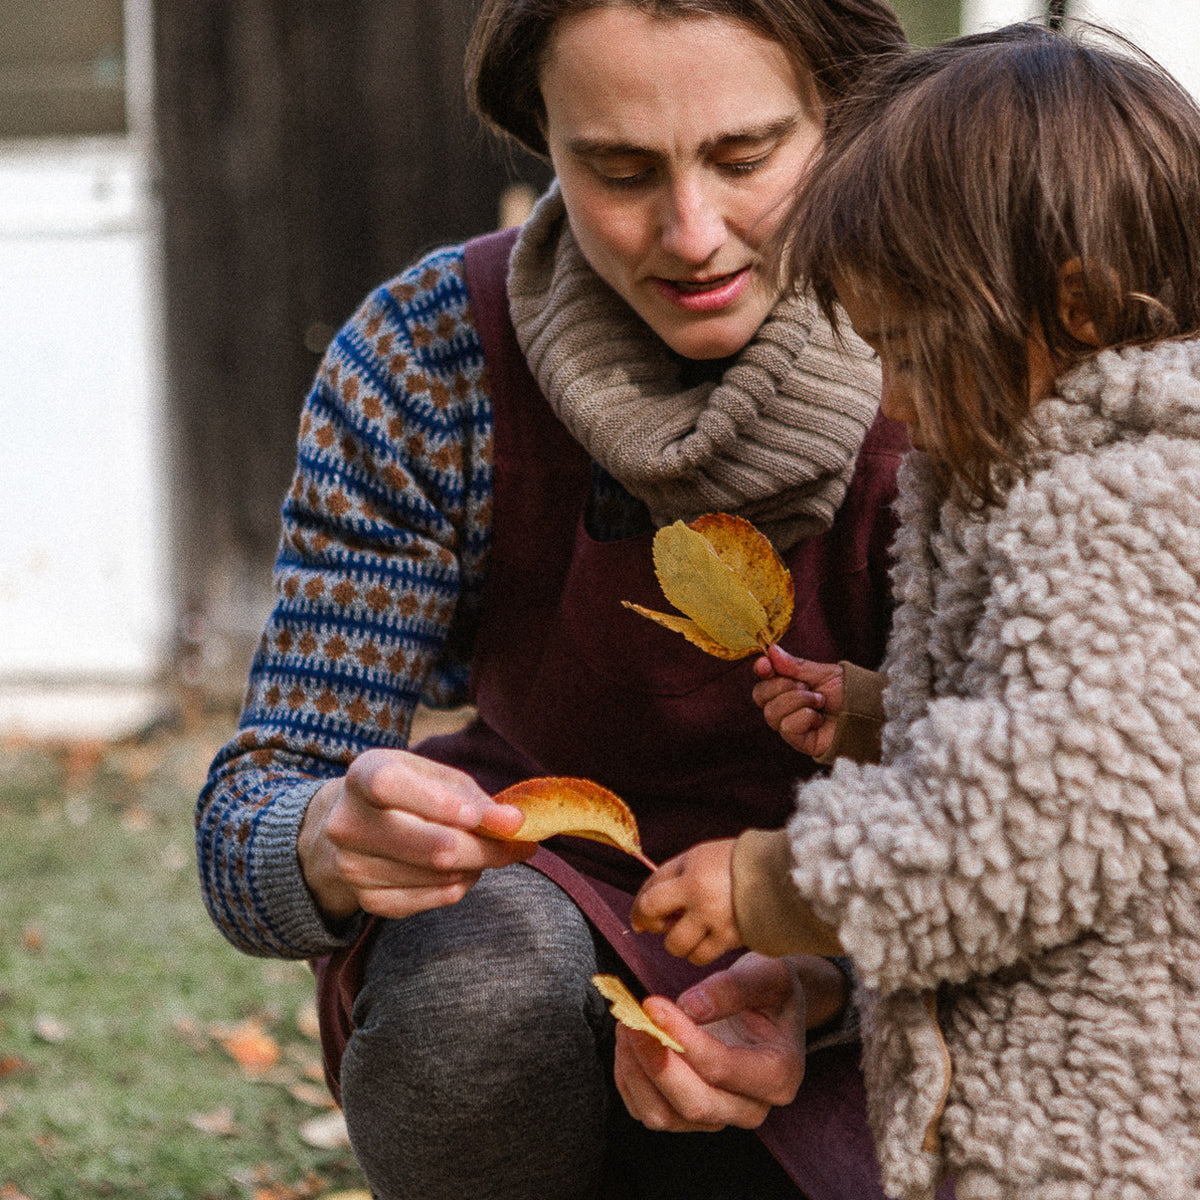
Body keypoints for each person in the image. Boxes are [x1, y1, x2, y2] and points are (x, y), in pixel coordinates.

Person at [195, 1, 911, 1196]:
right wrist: (323, 838)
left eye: (745, 159)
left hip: (885, 927)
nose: (692, 235)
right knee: (479, 977)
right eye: (619, 171)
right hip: (548, 923)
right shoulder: (431, 357)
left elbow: (1068, 817)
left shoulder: (966, 344)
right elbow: (244, 830)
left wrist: (827, 981)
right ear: (540, 137)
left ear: (843, 118)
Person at [630, 21, 1200, 1199]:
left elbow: (1051, 808)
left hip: (1117, 1138)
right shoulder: (1020, 482)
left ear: (1077, 308)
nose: (888, 398)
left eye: (905, 350)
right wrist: (880, 716)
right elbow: (1088, 725)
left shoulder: (1127, 507)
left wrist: (780, 882)